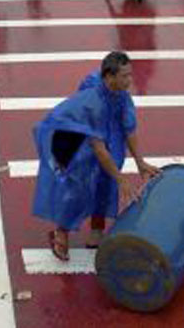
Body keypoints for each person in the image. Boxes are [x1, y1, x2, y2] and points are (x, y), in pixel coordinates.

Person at [32, 52, 160, 261]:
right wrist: (122, 180)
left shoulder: (122, 95)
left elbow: (129, 128)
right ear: (109, 77)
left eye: (130, 75)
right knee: (78, 181)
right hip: (83, 134)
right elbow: (98, 147)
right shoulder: (92, 98)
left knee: (106, 179)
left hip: (111, 130)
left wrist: (140, 162)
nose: (130, 81)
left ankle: (97, 229)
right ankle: (61, 231)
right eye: (125, 76)